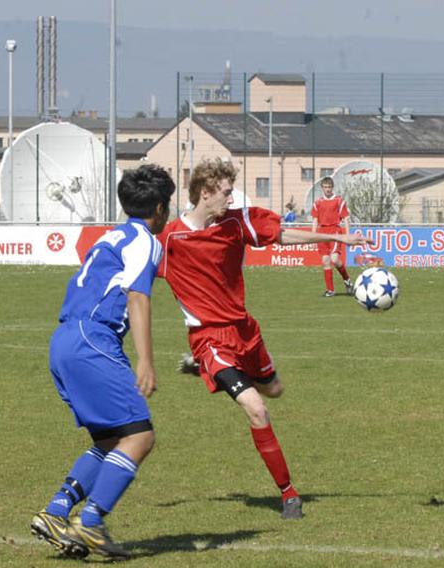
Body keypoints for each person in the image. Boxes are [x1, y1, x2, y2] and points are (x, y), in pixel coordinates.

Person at [159, 158, 371, 520]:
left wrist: (337, 236)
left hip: (244, 331)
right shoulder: (170, 241)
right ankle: (289, 494)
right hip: (208, 339)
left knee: (274, 390)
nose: (231, 197)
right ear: (205, 193)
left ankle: (209, 372)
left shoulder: (237, 221)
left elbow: (283, 234)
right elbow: (132, 276)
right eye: (226, 192)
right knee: (257, 408)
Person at [30, 164, 175, 559]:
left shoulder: (111, 236)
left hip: (65, 341)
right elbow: (138, 297)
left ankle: (58, 510)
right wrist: (145, 360)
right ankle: (91, 521)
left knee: (112, 439)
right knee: (140, 436)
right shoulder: (145, 240)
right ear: (160, 208)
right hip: (92, 340)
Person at [311, 176, 353, 297]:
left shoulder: (339, 201)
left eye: (329, 187)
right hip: (322, 233)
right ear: (322, 188)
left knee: (334, 260)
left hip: (335, 232)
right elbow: (314, 220)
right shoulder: (317, 203)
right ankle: (330, 290)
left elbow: (346, 218)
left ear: (332, 187)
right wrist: (313, 237)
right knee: (325, 261)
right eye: (325, 187)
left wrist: (348, 235)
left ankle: (347, 280)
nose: (327, 189)